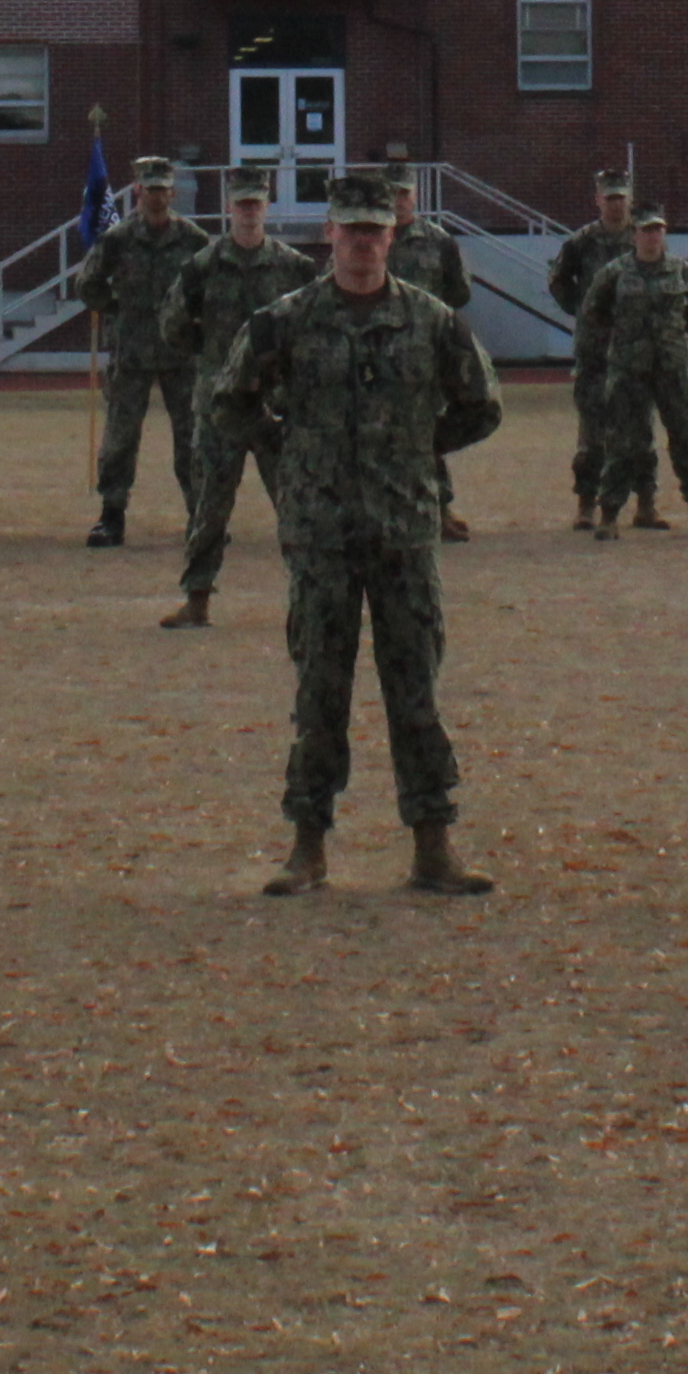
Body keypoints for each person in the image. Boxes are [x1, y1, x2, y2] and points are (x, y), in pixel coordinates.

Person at [211, 169, 503, 898]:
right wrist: (290, 451)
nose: (365, 243)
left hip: (403, 532)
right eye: (353, 230)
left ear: (392, 237)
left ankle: (433, 845)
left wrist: (418, 449)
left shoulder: (432, 321)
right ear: (329, 234)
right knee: (319, 692)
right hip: (322, 537)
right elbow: (230, 400)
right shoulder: (286, 320)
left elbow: (481, 404)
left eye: (377, 230)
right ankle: (307, 847)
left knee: (415, 692)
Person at [156, 169, 315, 630]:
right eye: (241, 204)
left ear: (267, 207)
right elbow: (173, 326)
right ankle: (197, 598)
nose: (248, 212)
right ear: (229, 208)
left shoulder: (294, 268)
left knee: (296, 506)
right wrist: (212, 361)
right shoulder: (201, 268)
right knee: (209, 508)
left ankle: (312, 597)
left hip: (274, 409)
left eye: (256, 204)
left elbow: (312, 324)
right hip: (220, 407)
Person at [73, 153, 212, 547]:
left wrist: (192, 320)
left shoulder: (193, 240)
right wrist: (117, 308)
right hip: (130, 351)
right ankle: (111, 515)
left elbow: (210, 287)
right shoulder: (117, 240)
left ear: (172, 192)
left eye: (162, 190)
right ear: (136, 190)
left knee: (192, 437)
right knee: (120, 436)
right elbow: (88, 284)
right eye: (149, 189)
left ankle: (200, 514)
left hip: (180, 352)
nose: (156, 197)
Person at [567, 204, 688, 539]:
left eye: (658, 230)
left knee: (685, 442)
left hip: (673, 370)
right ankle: (609, 515)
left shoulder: (684, 273)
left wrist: (673, 337)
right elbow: (593, 311)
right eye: (646, 230)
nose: (652, 236)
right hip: (628, 371)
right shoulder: (615, 272)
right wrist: (624, 338)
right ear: (635, 234)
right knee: (623, 443)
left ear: (664, 233)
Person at [381, 144, 479, 541]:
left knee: (427, 432)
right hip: (378, 350)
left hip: (425, 353)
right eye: (391, 193)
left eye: (404, 193)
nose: (398, 200)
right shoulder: (369, 239)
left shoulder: (438, 241)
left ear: (415, 195)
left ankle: (439, 507)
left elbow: (459, 292)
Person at [546, 169, 640, 532]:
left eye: (621, 197)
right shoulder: (581, 242)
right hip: (595, 350)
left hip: (635, 348)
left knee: (638, 428)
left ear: (629, 199)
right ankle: (586, 503)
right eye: (609, 197)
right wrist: (585, 312)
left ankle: (644, 503)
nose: (616, 203)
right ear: (597, 199)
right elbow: (558, 281)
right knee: (591, 429)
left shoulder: (641, 238)